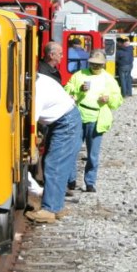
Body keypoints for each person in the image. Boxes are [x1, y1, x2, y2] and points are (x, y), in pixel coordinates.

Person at [65, 49, 123, 192]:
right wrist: (79, 89)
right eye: (93, 64)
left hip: (97, 118)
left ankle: (90, 182)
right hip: (79, 116)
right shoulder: (79, 75)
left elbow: (118, 100)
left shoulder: (109, 79)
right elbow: (67, 90)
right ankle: (71, 179)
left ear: (103, 65)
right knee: (73, 149)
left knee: (93, 154)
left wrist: (108, 99)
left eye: (98, 65)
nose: (95, 67)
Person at [26, 72, 81, 224]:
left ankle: (50, 209)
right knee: (54, 164)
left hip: (65, 123)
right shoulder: (39, 80)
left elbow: (31, 121)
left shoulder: (37, 91)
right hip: (64, 121)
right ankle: (57, 205)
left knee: (55, 164)